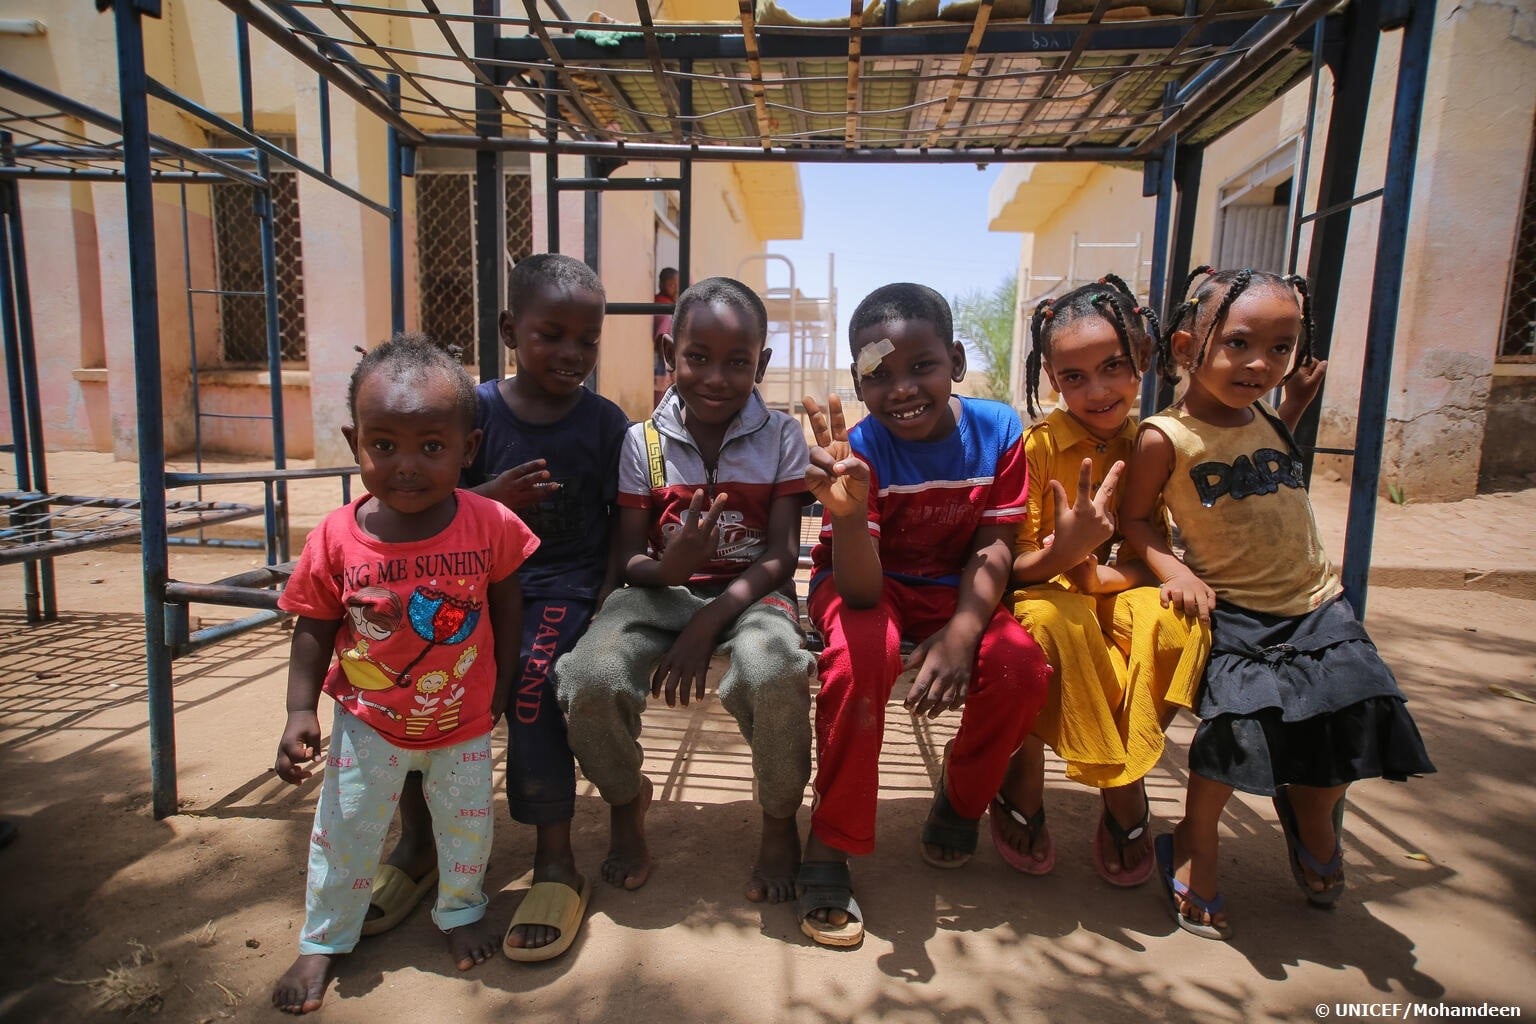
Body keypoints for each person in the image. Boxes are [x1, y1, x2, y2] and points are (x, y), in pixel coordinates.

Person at [1119, 267, 1435, 940]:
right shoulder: (1164, 436)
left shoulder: (1266, 414)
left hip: (1315, 601)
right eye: (1239, 343)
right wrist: (1173, 568)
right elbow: (1135, 521)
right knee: (1236, 731)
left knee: (1352, 708)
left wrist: (1292, 407)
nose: (1261, 363)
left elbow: (1260, 467)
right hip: (1236, 610)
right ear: (1187, 349)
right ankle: (1196, 838)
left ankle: (1312, 817)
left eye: (1281, 348)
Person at [368, 255, 627, 963]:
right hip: (467, 589)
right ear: (511, 331)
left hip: (561, 588)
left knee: (533, 685)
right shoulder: (471, 411)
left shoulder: (607, 423)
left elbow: (627, 516)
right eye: (552, 335)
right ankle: (419, 844)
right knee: (414, 681)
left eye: (587, 340)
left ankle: (555, 861)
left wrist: (609, 594)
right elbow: (420, 497)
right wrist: (488, 502)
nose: (572, 353)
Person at [270, 335, 539, 1014]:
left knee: (467, 827)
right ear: (354, 441)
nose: (407, 466)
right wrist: (300, 710)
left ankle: (461, 910)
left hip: (461, 721)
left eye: (432, 446)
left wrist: (502, 681)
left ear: (468, 448)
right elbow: (313, 625)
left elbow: (508, 603)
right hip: (369, 724)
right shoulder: (335, 536)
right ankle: (324, 938)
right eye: (384, 445)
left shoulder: (490, 523)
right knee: (346, 829)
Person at [798, 282, 1051, 949]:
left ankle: (962, 799)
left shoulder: (997, 431)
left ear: (956, 361)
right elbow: (859, 593)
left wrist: (964, 633)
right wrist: (848, 512)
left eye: (922, 367)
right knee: (860, 661)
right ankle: (831, 839)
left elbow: (995, 544)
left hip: (953, 588)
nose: (902, 389)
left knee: (1021, 669)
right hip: (862, 578)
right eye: (879, 375)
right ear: (859, 383)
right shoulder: (861, 450)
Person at [555, 275, 815, 908]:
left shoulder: (781, 437)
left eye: (738, 362)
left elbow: (782, 554)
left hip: (752, 596)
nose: (717, 378)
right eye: (698, 357)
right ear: (669, 353)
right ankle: (626, 801)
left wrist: (709, 620)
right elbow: (628, 559)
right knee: (589, 676)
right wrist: (672, 570)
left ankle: (780, 817)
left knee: (776, 672)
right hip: (658, 594)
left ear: (762, 364)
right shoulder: (642, 442)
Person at [996, 275, 1211, 886]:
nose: (1097, 391)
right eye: (1074, 377)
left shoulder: (1151, 443)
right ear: (1052, 379)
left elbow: (1149, 556)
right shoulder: (1036, 448)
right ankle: (1027, 772)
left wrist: (1096, 577)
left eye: (1113, 367)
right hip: (1043, 594)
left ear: (1141, 358)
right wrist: (1066, 554)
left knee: (1174, 622)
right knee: (1048, 624)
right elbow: (1015, 567)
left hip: (1109, 590)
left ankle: (1125, 773)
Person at [652, 266, 679, 407]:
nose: (675, 289)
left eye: (677, 286)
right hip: (662, 360)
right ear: (661, 284)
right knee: (660, 397)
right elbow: (662, 337)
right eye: (671, 285)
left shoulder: (671, 305)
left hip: (666, 359)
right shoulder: (662, 306)